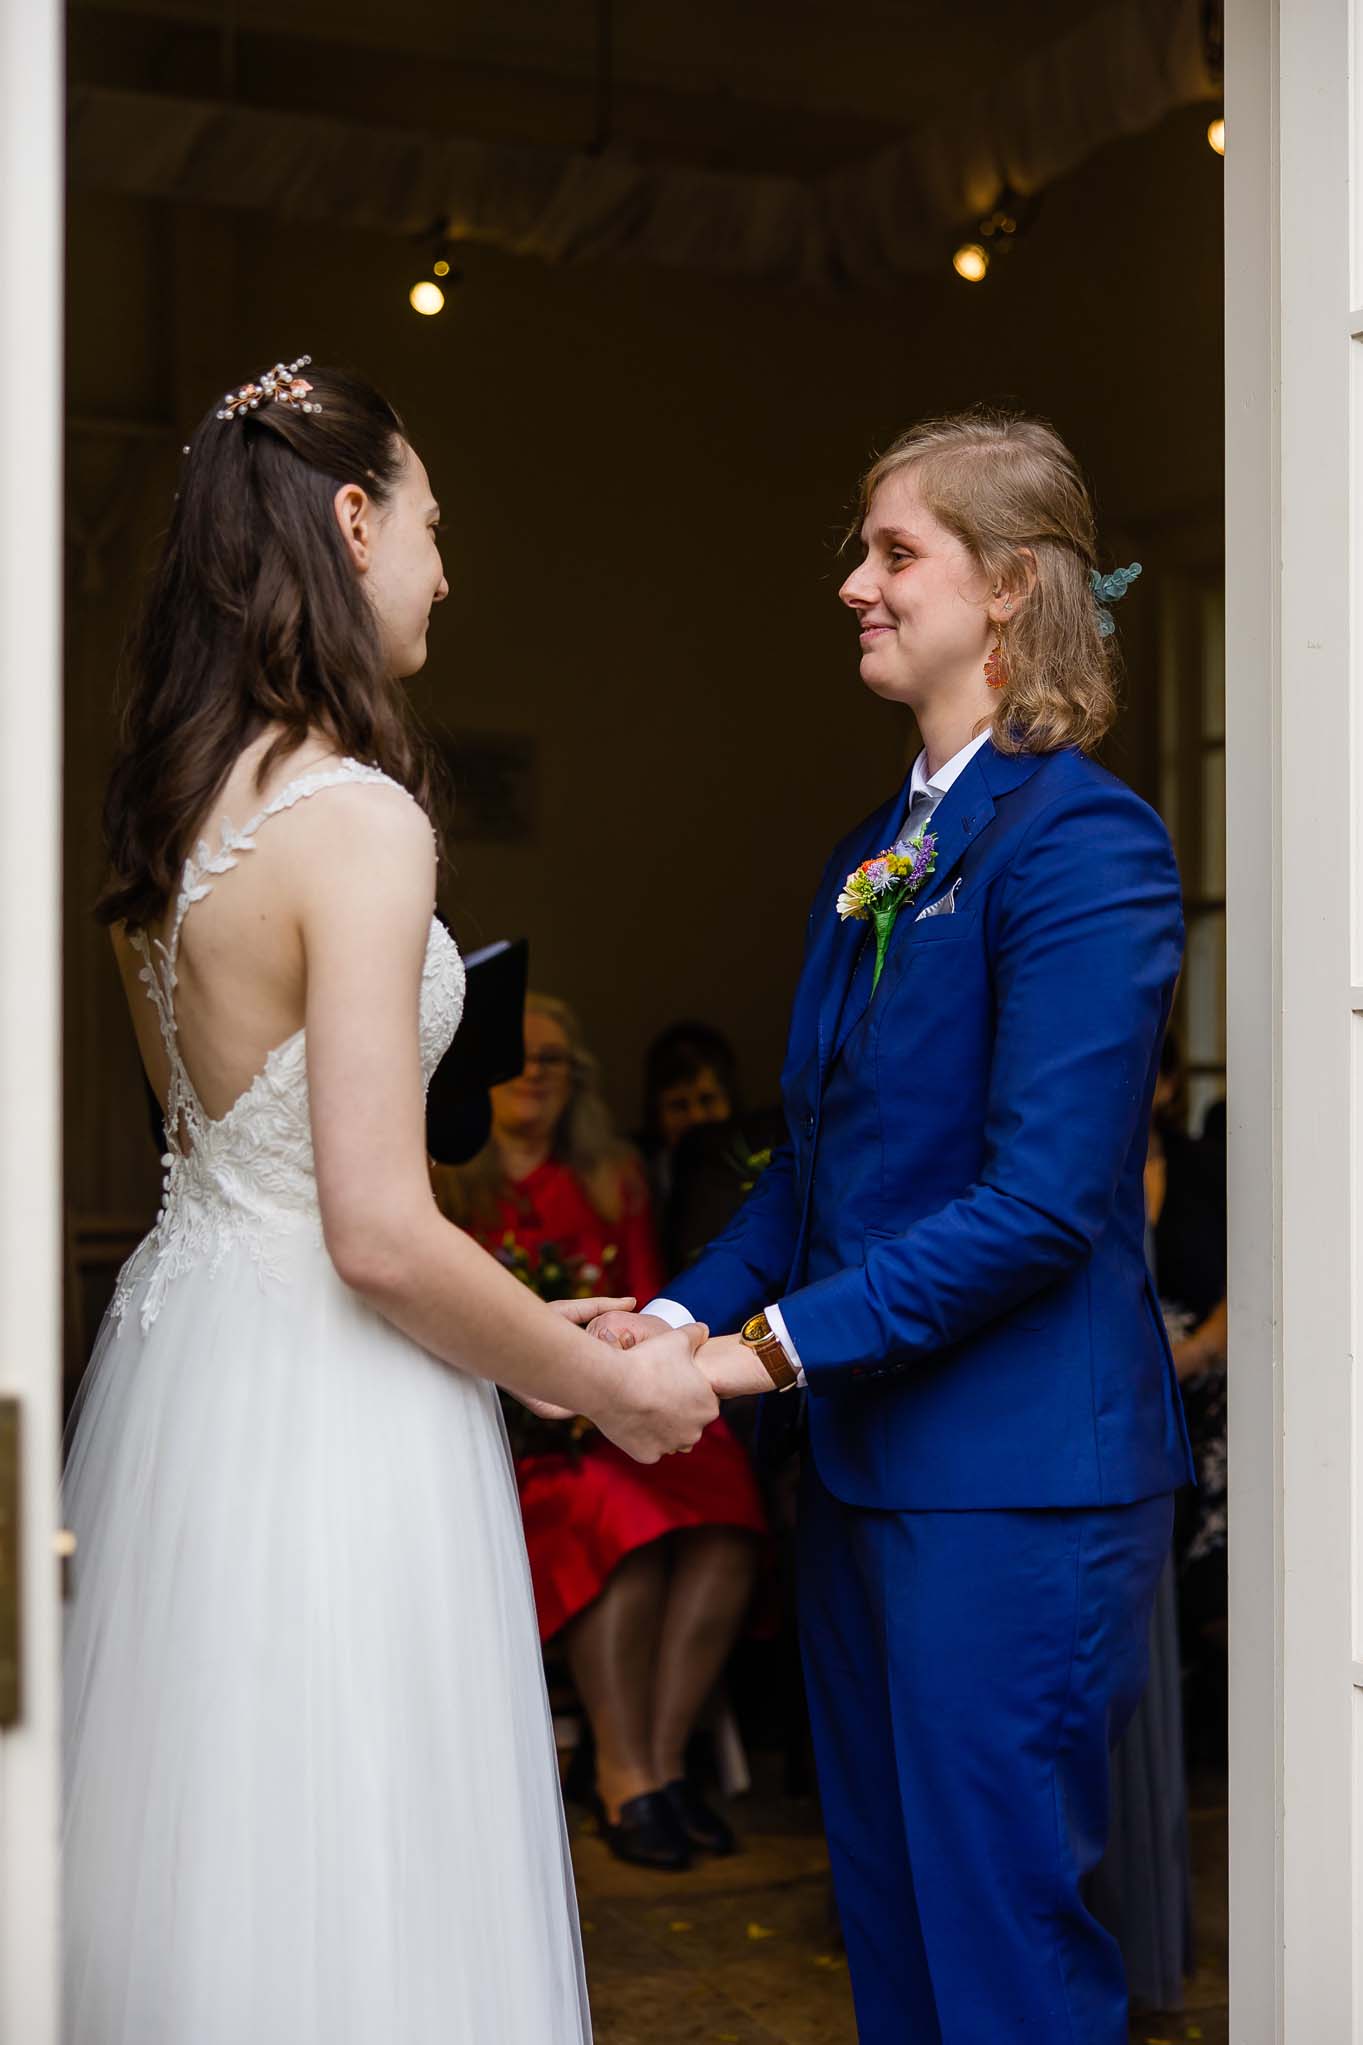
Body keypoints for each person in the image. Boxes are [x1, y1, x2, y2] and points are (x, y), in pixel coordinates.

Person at [62, 359, 717, 2045]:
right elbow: (367, 1225)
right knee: (369, 1877)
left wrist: (517, 1308)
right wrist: (599, 1379)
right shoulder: (358, 820)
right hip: (342, 1412)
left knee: (231, 1865)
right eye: (432, 527)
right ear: (353, 524)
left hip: (201, 1381)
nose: (446, 570)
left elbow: (277, 1179)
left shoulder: (174, 820)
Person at [594, 408, 1194, 2043]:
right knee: (893, 1937)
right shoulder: (875, 853)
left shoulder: (1083, 844)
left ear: (1004, 589)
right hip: (863, 1480)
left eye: (891, 553)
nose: (852, 585)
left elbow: (1042, 1204)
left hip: (1013, 1491)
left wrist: (768, 1352)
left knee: (1000, 1951)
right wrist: (669, 1319)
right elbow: (811, 1166)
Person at [437, 996, 767, 1871]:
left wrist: (615, 1373)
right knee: (617, 1517)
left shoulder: (610, 1172)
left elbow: (648, 1295)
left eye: (555, 1061)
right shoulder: (443, 1179)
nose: (536, 1074)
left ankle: (658, 1761)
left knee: (726, 1506)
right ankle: (622, 1772)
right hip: (520, 1429)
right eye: (522, 1056)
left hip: (618, 1398)